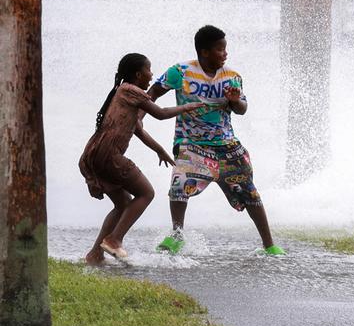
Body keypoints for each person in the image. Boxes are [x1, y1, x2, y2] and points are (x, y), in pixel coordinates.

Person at [149, 25, 285, 255]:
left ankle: (269, 245)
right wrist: (138, 117)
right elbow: (151, 95)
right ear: (204, 52)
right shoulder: (180, 72)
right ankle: (176, 235)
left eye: (225, 49)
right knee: (179, 182)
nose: (225, 53)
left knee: (250, 193)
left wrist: (234, 100)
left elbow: (242, 109)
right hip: (191, 142)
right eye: (220, 49)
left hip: (226, 145)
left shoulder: (232, 77)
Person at [80, 53, 204, 263]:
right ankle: (114, 239)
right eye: (149, 70)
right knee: (146, 193)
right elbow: (161, 113)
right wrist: (187, 107)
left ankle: (95, 254)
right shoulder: (132, 91)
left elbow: (138, 130)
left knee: (122, 204)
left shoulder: (122, 94)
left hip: (93, 155)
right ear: (138, 74)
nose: (152, 74)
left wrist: (159, 150)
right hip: (109, 155)